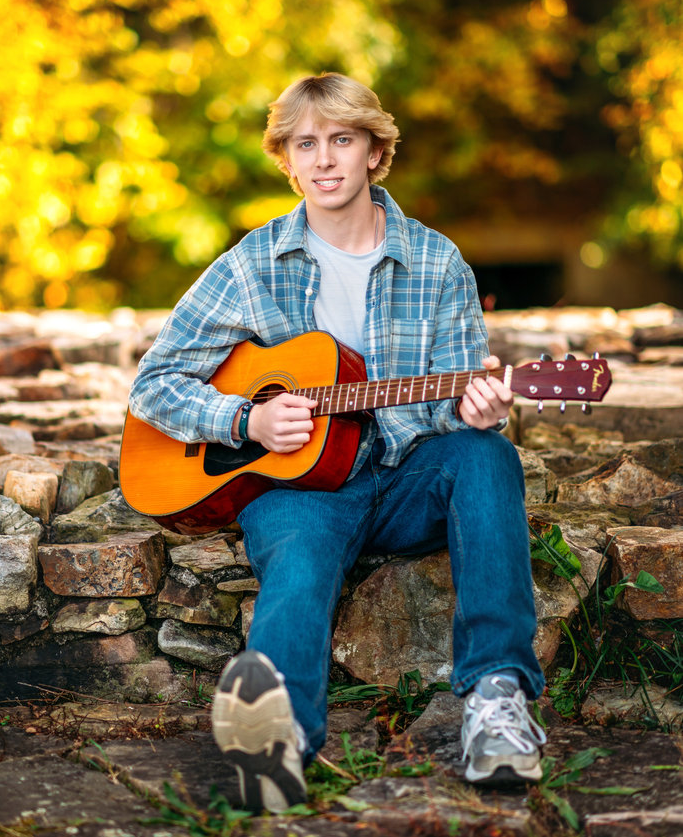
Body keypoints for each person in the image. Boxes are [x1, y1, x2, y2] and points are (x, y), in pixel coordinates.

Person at [128, 72, 546, 813]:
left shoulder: (438, 261)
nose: (324, 160)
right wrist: (244, 422)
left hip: (407, 475)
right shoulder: (253, 263)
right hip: (300, 485)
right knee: (299, 557)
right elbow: (153, 384)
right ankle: (277, 742)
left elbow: (455, 402)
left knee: (487, 456)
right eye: (305, 143)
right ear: (286, 160)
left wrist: (478, 410)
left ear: (375, 153)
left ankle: (497, 700)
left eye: (342, 140)